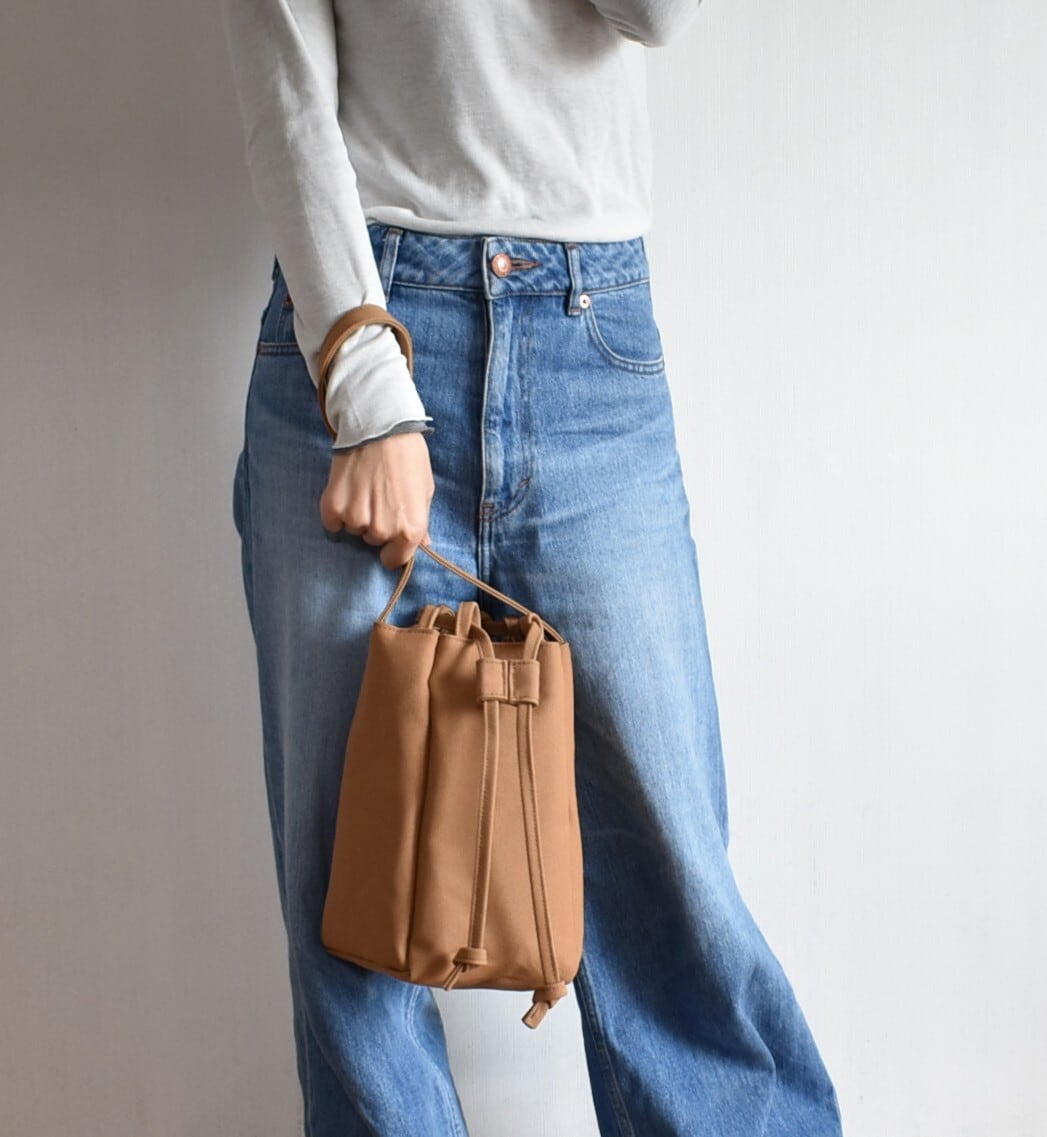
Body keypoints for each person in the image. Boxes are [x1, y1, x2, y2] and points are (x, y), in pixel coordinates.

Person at [221, 1, 844, 1133]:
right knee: (354, 894)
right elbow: (287, 96)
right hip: (362, 326)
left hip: (586, 338)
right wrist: (366, 397)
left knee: (671, 881)